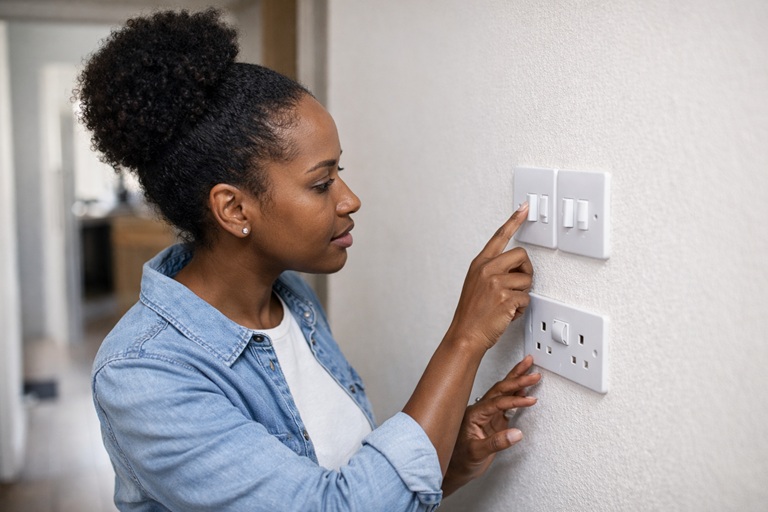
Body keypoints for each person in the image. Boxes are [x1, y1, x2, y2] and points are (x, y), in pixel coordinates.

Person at [78, 9, 540, 512]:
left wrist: (452, 461)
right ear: (234, 209)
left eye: (339, 172)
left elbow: (351, 482)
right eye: (321, 183)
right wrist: (465, 339)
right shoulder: (145, 375)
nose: (350, 199)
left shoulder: (288, 299)